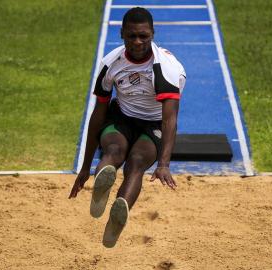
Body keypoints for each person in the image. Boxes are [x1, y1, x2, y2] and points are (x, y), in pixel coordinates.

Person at [68, 7, 186, 248]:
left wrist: (163, 164)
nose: (138, 41)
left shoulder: (167, 69)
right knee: (113, 150)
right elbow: (97, 115)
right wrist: (85, 167)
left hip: (153, 124)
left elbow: (169, 120)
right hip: (122, 117)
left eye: (144, 36)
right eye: (131, 36)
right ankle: (102, 184)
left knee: (137, 162)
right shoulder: (111, 63)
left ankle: (118, 215)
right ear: (122, 33)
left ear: (153, 33)